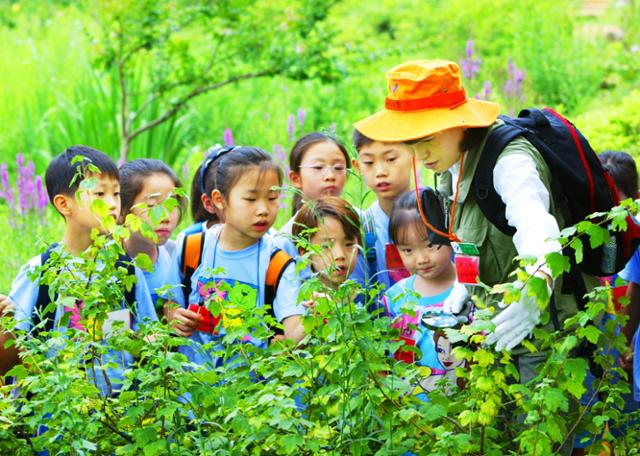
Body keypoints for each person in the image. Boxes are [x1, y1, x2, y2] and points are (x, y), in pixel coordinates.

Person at [354, 59, 599, 374]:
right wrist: (466, 285)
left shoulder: (510, 162)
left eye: (427, 138)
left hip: (547, 334)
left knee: (537, 422)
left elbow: (536, 224)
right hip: (494, 329)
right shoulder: (449, 160)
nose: (420, 153)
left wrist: (538, 284)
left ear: (458, 124)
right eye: (411, 142)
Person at [0, 145, 157, 394]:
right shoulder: (41, 270)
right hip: (53, 419)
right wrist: (6, 324)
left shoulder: (125, 269)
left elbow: (148, 338)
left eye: (116, 194)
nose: (112, 205)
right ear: (64, 204)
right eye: (99, 195)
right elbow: (10, 363)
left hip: (116, 418)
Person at [163, 146, 305, 366]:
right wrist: (175, 317)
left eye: (272, 198)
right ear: (219, 200)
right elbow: (170, 301)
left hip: (252, 392)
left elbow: (293, 328)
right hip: (192, 390)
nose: (263, 210)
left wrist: (314, 317)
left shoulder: (277, 264)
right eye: (250, 199)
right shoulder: (192, 247)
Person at [382, 189, 463, 399]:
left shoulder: (468, 290)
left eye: (430, 245)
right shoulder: (394, 300)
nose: (421, 259)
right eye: (408, 250)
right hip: (413, 418)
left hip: (467, 416)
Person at [352, 126, 414, 291]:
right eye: (369, 163)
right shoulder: (361, 229)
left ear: (415, 154)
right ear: (357, 166)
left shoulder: (438, 215)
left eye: (391, 159)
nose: (380, 172)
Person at [119, 159, 185, 312]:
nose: (165, 217)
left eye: (172, 205)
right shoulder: (106, 267)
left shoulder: (180, 256)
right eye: (151, 206)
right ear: (122, 212)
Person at [281, 132, 351, 235]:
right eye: (318, 167)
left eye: (338, 168)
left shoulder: (363, 224)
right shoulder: (286, 238)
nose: (330, 176)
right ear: (296, 178)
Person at [291, 196, 361, 290]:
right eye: (326, 246)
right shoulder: (296, 300)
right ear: (305, 253)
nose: (340, 255)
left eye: (349, 244)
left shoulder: (369, 299)